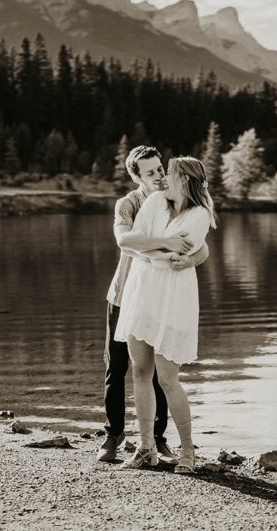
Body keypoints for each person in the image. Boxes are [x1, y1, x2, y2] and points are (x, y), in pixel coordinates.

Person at [97, 146, 209, 464]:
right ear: (136, 177)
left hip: (165, 297)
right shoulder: (130, 204)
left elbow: (201, 250)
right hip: (125, 294)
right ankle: (113, 435)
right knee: (118, 368)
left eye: (161, 169)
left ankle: (157, 441)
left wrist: (187, 257)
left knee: (162, 374)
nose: (160, 176)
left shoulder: (179, 203)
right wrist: (167, 245)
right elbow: (126, 241)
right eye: (152, 172)